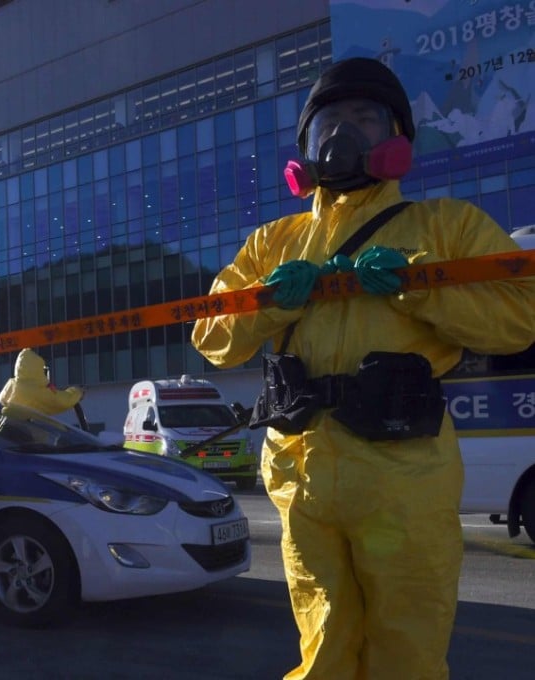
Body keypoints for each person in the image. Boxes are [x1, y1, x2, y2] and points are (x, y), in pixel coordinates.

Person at [191, 57, 535, 680]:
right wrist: (269, 304)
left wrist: (421, 284)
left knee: (407, 647)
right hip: (302, 478)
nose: (342, 135)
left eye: (363, 118)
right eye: (328, 122)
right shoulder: (274, 243)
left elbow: (519, 318)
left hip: (404, 477)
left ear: (396, 139)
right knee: (322, 645)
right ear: (307, 147)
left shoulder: (447, 226)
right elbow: (212, 336)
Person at [0, 348, 83, 416]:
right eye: (42, 370)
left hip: (6, 435)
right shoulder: (37, 391)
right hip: (31, 436)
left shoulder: (11, 384)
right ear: (37, 369)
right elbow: (63, 401)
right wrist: (78, 392)